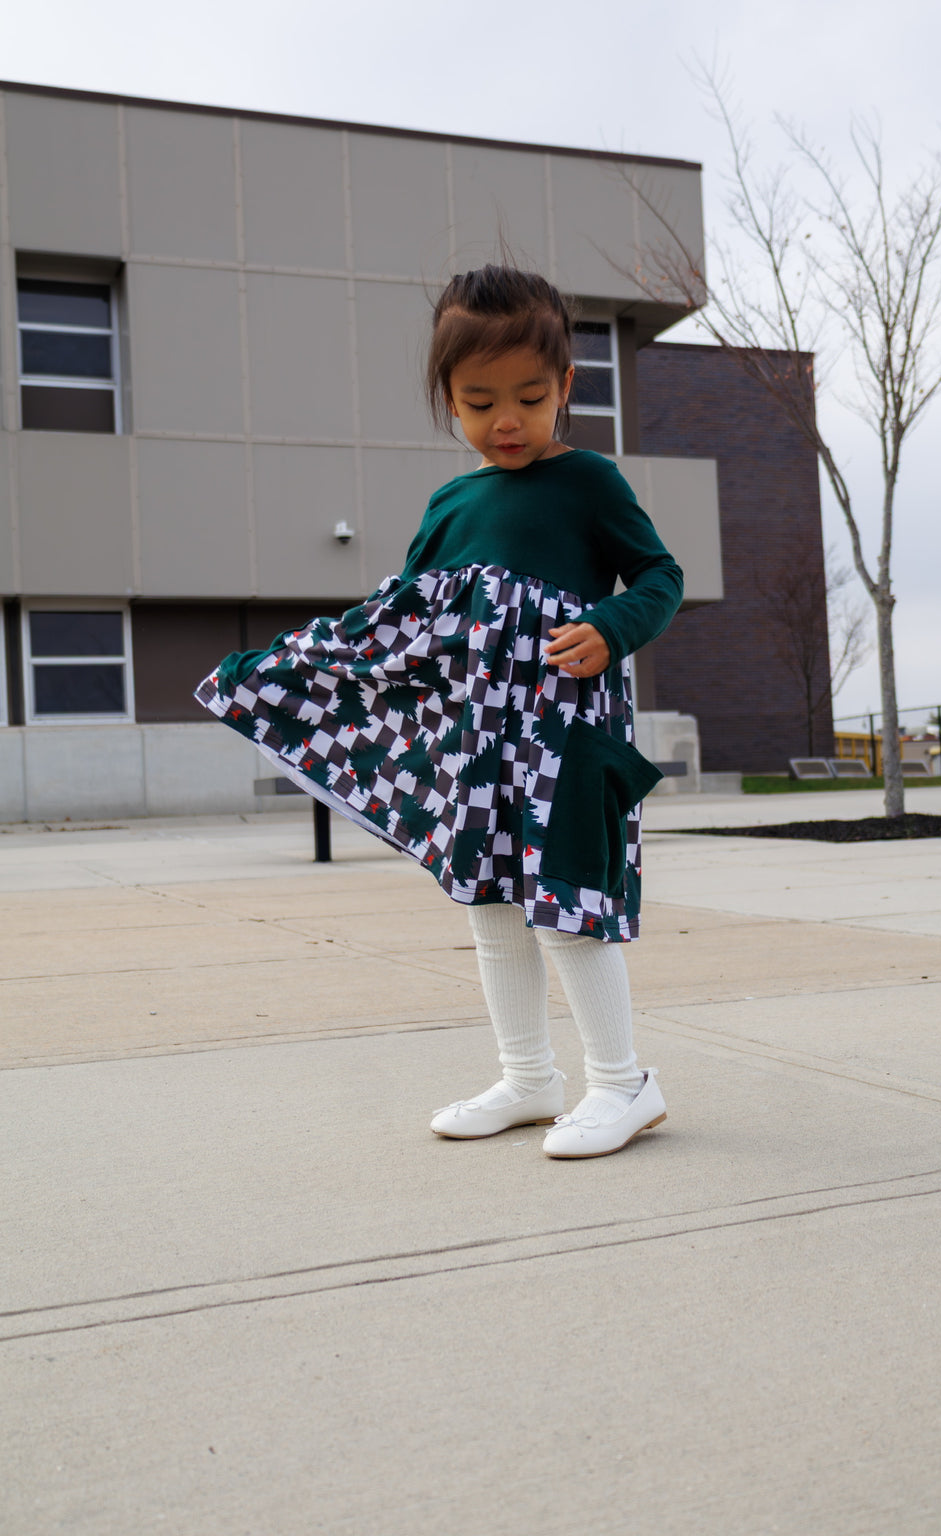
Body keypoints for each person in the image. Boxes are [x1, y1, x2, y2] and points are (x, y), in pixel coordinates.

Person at [195, 265, 684, 1158]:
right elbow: (397, 624)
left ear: (567, 388)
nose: (506, 420)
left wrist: (613, 626)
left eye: (531, 398)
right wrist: (280, 673)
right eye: (479, 401)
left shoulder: (589, 483)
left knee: (563, 903)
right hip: (478, 743)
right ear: (447, 404)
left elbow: (661, 575)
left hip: (566, 736)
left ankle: (624, 1085)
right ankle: (530, 1077)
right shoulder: (450, 505)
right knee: (491, 908)